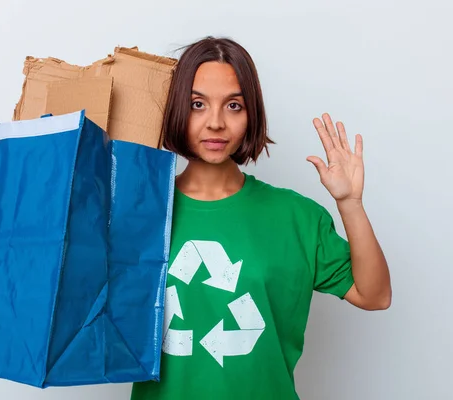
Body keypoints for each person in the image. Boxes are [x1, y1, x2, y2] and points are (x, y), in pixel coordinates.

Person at [130, 36, 391, 400]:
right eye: (197, 104)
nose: (216, 123)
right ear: (176, 109)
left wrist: (350, 202)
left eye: (234, 105)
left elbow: (374, 295)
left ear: (251, 113)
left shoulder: (295, 216)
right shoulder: (138, 212)